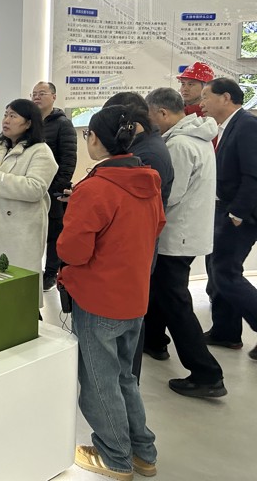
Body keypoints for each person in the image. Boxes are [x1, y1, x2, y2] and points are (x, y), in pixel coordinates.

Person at [58, 105, 165, 481]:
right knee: (123, 377)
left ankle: (115, 456)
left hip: (98, 297)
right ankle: (142, 451)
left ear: (94, 139)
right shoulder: (148, 180)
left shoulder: (95, 188)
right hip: (134, 295)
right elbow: (157, 227)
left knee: (98, 382)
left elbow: (73, 251)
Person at [144, 87, 225, 398]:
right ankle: (155, 342)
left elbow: (170, 194)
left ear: (162, 113)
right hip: (189, 231)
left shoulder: (179, 144)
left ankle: (207, 373)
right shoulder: (198, 136)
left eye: (150, 116)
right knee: (161, 291)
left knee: (175, 301)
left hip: (177, 234)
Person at [104, 91, 174, 381]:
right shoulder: (144, 147)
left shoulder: (149, 154)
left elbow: (137, 206)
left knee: (130, 317)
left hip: (134, 247)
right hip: (133, 244)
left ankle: (126, 378)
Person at [0, 99, 57, 301]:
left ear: (28, 123)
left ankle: (26, 315)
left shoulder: (41, 151)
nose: (6, 120)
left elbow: (36, 188)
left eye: (13, 116)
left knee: (19, 284)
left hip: (20, 229)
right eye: (5, 114)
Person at [200, 78, 257, 361]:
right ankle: (226, 332)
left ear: (225, 97)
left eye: (206, 96)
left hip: (239, 214)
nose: (201, 103)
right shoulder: (226, 126)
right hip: (223, 208)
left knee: (225, 273)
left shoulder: (247, 125)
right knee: (216, 269)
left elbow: (253, 174)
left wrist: (237, 213)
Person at [31, 81, 77, 291]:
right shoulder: (30, 122)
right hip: (33, 188)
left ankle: (50, 274)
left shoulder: (62, 124)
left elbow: (68, 160)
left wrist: (57, 187)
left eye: (42, 93)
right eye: (34, 94)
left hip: (53, 189)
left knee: (54, 234)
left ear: (54, 97)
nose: (37, 97)